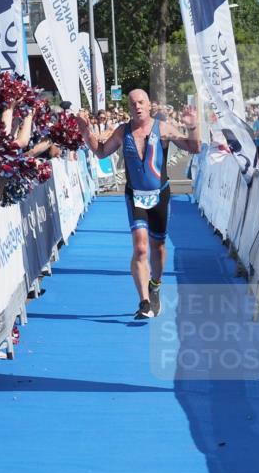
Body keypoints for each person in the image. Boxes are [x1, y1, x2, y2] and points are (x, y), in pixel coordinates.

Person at [77, 89, 200, 319]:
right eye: (133, 104)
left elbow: (194, 148)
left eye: (141, 102)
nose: (137, 107)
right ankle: (144, 301)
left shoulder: (162, 128)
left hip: (160, 195)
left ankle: (156, 283)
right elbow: (102, 153)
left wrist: (193, 126)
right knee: (141, 247)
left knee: (158, 247)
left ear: (149, 105)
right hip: (135, 195)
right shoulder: (123, 131)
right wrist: (86, 132)